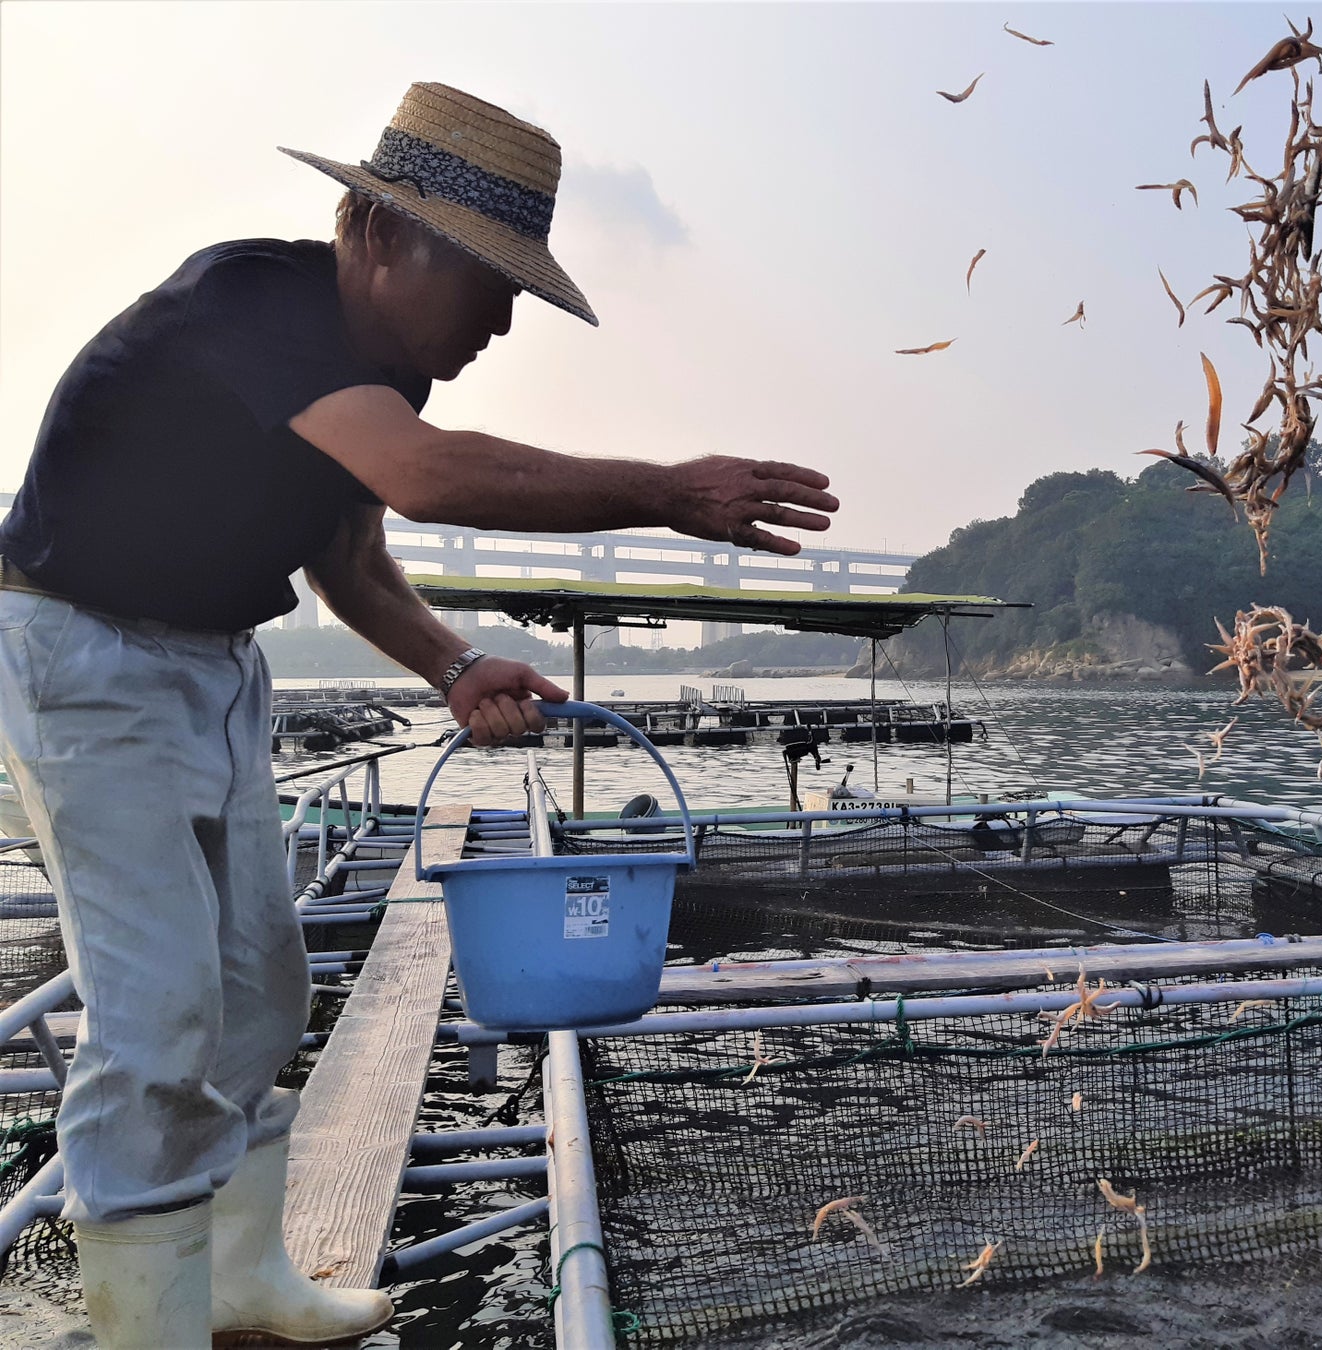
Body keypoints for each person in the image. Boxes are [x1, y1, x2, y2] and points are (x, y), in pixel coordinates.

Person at [0, 82, 837, 1348]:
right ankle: (138, 1323)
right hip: (81, 649)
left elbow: (348, 551)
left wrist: (452, 667)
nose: (504, 320)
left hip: (216, 662)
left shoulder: (376, 368)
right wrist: (667, 490)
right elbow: (427, 478)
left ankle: (234, 1276)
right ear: (382, 235)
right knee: (156, 1003)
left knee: (262, 988)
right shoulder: (253, 304)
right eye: (492, 283)